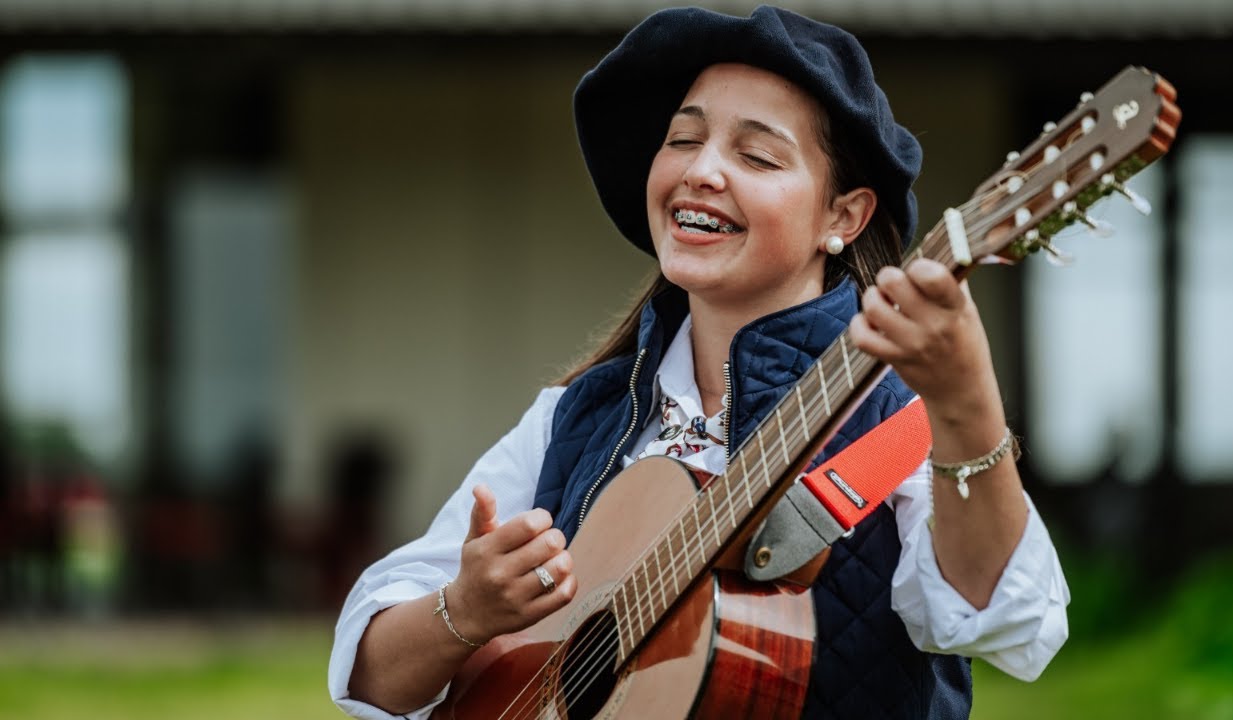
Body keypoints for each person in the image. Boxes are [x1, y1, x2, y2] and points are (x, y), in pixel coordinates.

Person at [329, 6, 1069, 719]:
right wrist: (464, 610)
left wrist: (966, 404)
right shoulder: (576, 416)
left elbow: (1005, 623)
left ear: (843, 217)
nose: (703, 171)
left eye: (756, 154)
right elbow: (373, 673)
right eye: (683, 140)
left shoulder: (898, 426)